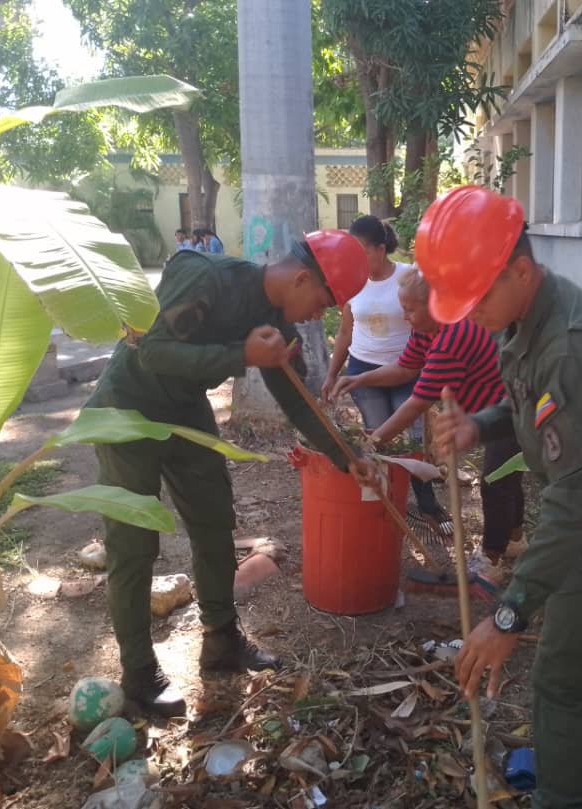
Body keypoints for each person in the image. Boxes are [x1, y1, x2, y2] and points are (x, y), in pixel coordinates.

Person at [424, 186, 582, 807]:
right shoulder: (525, 315)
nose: (469, 314)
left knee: (560, 678)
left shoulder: (572, 346)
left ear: (520, 270)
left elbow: (574, 509)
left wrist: (510, 614)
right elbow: (531, 409)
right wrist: (476, 426)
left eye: (477, 297)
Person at [86, 230, 377, 718]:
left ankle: (220, 641)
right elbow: (151, 349)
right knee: (134, 544)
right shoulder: (203, 275)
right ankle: (139, 674)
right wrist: (240, 355)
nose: (317, 316)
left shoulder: (277, 323)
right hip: (128, 407)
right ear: (303, 277)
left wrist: (347, 456)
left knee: (214, 522)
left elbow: (297, 399)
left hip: (184, 409)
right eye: (323, 302)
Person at [332, 267, 525, 583]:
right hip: (489, 411)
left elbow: (418, 402)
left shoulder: (452, 336)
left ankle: (491, 559)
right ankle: (515, 539)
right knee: (505, 476)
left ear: (435, 305)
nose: (405, 316)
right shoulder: (427, 330)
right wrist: (359, 378)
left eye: (409, 309)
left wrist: (372, 442)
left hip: (510, 412)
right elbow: (406, 369)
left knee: (496, 480)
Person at [321, 215, 450, 531]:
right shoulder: (352, 283)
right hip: (363, 368)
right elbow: (345, 333)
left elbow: (433, 326)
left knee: (413, 438)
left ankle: (428, 505)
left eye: (362, 250)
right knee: (381, 438)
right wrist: (332, 374)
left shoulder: (409, 278)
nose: (357, 258)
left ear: (381, 249)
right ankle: (389, 506)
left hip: (408, 367)